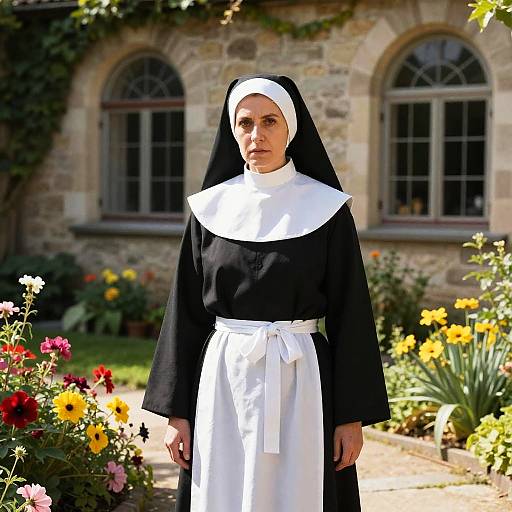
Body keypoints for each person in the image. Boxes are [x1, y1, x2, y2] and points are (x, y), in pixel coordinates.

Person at [141, 73, 390, 512]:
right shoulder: (209, 210)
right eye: (245, 122)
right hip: (224, 381)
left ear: (290, 129)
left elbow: (352, 315)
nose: (257, 135)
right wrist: (177, 414)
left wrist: (350, 417)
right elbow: (184, 315)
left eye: (270, 121)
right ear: (232, 130)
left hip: (302, 381)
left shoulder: (326, 209)